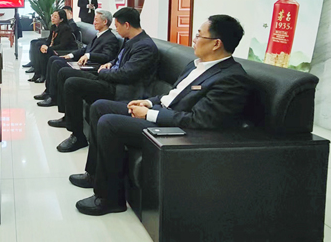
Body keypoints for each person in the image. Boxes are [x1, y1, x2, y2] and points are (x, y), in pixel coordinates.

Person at [70, 15, 252, 216]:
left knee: (109, 123)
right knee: (99, 107)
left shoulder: (231, 78)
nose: (194, 40)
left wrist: (149, 114)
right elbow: (172, 95)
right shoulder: (195, 65)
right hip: (163, 111)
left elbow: (200, 120)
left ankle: (110, 199)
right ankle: (93, 174)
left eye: (199, 35)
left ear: (216, 44)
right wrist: (148, 102)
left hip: (179, 129)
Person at [51, 7, 159, 153]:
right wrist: (110, 63)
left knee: (73, 84)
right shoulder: (131, 40)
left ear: (127, 25)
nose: (116, 29)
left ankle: (77, 136)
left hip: (120, 89)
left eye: (117, 26)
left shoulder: (145, 46)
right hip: (110, 79)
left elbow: (126, 74)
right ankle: (68, 120)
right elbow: (119, 59)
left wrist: (104, 72)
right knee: (66, 73)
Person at [34, 10, 120, 106]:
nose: (94, 22)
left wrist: (89, 55)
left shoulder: (110, 38)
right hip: (82, 62)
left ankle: (53, 97)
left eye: (96, 20)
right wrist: (70, 55)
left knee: (56, 63)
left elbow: (107, 56)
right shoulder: (99, 35)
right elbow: (85, 49)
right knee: (53, 59)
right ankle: (48, 91)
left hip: (91, 67)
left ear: (105, 22)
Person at [28, 9, 77, 83]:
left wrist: (49, 48)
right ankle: (37, 73)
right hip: (56, 46)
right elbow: (49, 40)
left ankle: (43, 75)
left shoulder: (66, 29)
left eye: (55, 17)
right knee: (39, 48)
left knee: (45, 52)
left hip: (65, 50)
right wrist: (44, 45)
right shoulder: (54, 27)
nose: (52, 18)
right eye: (52, 16)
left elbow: (63, 45)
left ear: (61, 19)